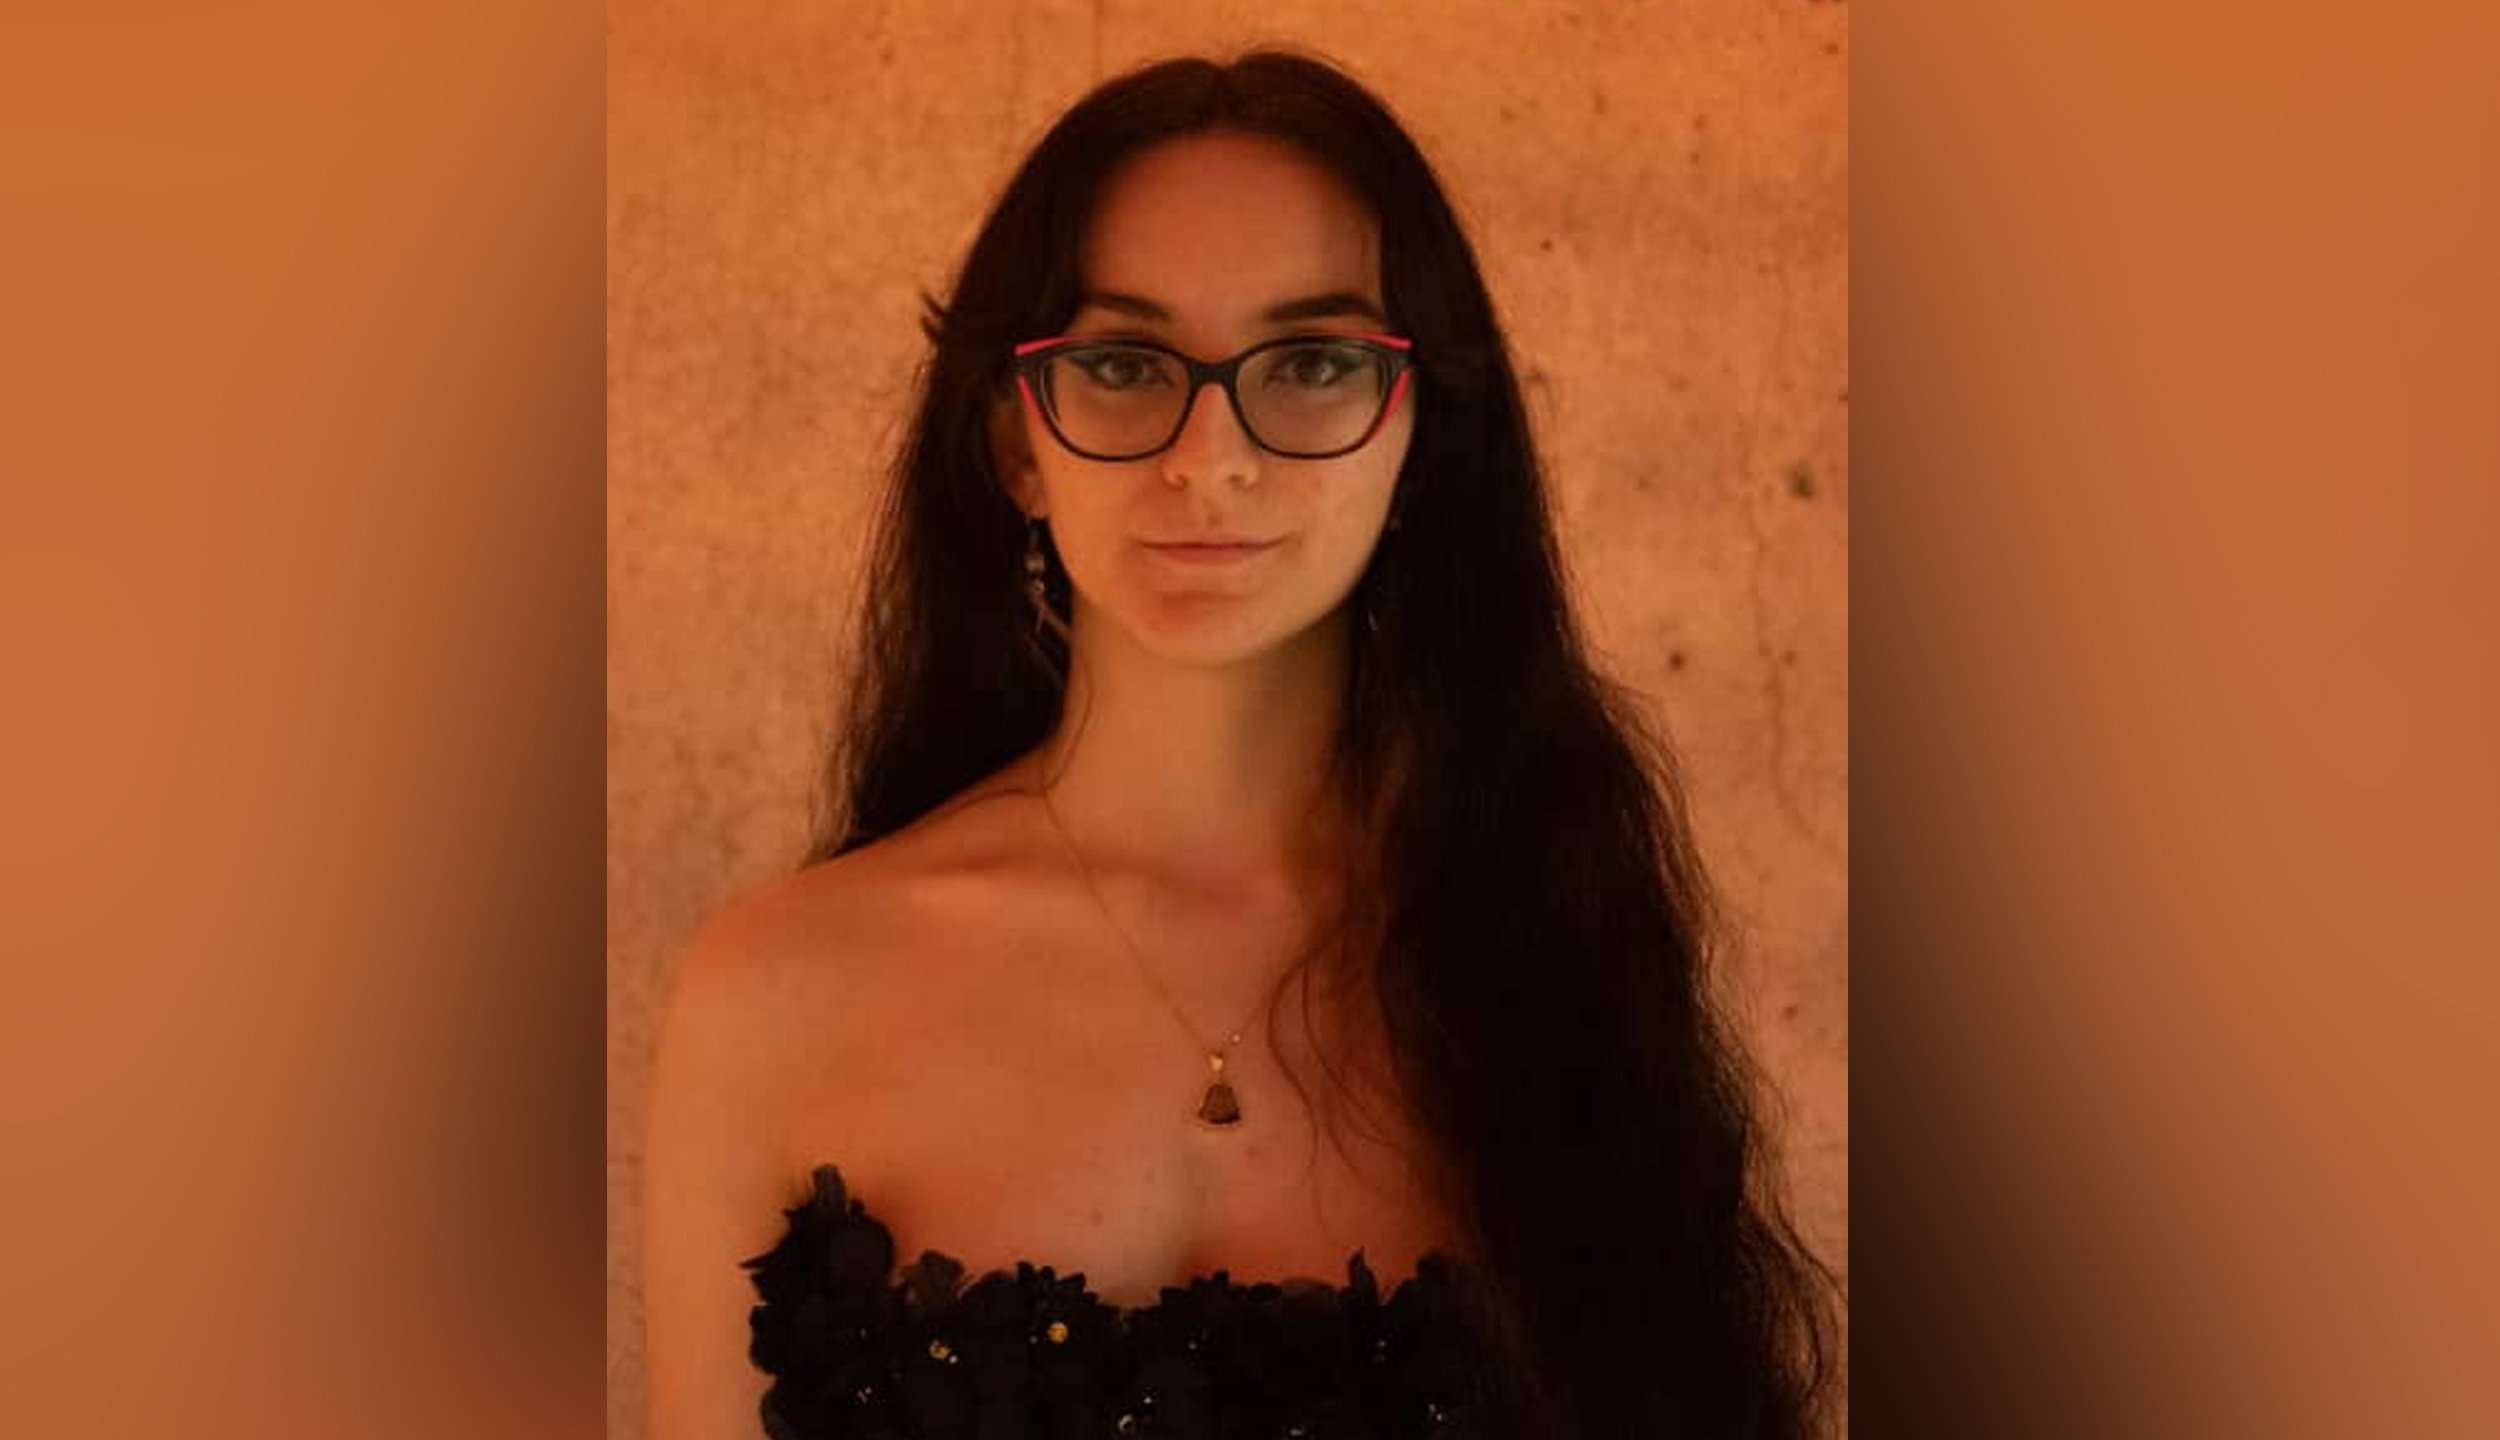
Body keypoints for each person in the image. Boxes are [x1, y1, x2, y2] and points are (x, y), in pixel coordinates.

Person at [644, 49, 1841, 1440]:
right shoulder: (772, 994)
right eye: (1122, 364)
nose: (1210, 457)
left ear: (1419, 437)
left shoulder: (1557, 946)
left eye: (1314, 362)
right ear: (1017, 445)